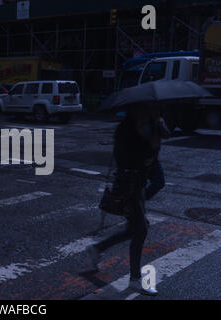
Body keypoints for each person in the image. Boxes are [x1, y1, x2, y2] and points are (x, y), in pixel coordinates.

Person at [87, 103, 160, 296]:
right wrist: (147, 147)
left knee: (134, 229)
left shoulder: (150, 123)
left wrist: (156, 126)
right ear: (136, 109)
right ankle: (135, 279)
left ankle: (98, 248)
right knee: (140, 229)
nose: (149, 110)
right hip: (130, 186)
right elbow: (127, 159)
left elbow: (161, 141)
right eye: (145, 108)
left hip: (139, 185)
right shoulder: (126, 129)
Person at [145, 113, 171, 200]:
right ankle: (138, 200)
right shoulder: (140, 121)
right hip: (143, 158)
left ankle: (142, 198)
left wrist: (159, 123)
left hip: (153, 158)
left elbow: (166, 134)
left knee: (159, 182)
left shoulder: (157, 120)